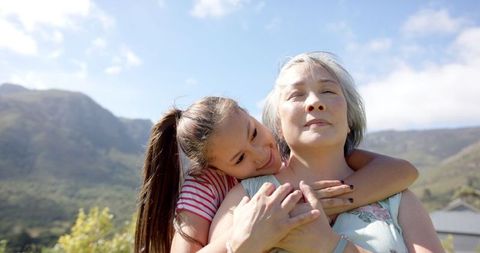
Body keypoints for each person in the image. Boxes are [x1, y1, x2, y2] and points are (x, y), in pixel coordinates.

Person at [209, 52, 444, 252]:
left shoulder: (397, 199)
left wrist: (333, 247)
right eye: (296, 95)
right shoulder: (248, 196)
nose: (314, 102)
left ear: (350, 119)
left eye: (328, 92)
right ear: (278, 125)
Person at [134, 96, 418, 253]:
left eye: (254, 133)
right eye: (240, 158)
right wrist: (242, 240)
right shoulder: (207, 185)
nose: (260, 154)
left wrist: (323, 201)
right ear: (216, 169)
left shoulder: (291, 150)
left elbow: (403, 171)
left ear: (252, 115)